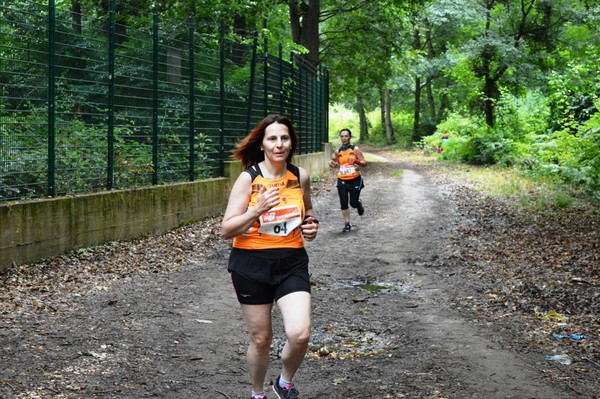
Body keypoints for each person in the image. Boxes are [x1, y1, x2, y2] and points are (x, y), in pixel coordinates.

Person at [221, 114, 319, 399]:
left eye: (284, 138)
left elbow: (308, 210)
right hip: (250, 264)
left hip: (292, 262)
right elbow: (227, 229)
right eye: (272, 138)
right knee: (262, 340)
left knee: (300, 334)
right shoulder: (248, 179)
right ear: (262, 144)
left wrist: (310, 225)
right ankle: (257, 393)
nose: (279, 144)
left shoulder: (299, 176)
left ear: (291, 143)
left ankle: (284, 383)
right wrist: (255, 210)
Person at [329, 128, 367, 232]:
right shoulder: (338, 151)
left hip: (355, 179)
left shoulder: (355, 149)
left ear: (350, 137)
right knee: (343, 202)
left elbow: (364, 163)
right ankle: (347, 223)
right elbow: (338, 165)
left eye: (346, 136)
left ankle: (358, 204)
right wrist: (333, 164)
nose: (344, 138)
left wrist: (356, 161)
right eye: (342, 136)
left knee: (353, 203)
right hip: (342, 179)